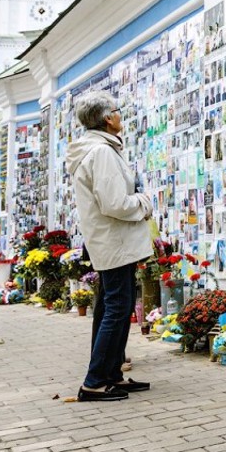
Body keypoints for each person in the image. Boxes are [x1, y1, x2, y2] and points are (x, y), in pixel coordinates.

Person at [66, 92, 155, 401]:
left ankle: (111, 373)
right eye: (117, 111)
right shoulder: (101, 152)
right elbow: (114, 202)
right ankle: (94, 382)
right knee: (117, 307)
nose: (121, 116)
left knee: (113, 305)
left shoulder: (97, 149)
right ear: (107, 119)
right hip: (114, 238)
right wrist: (144, 202)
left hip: (111, 239)